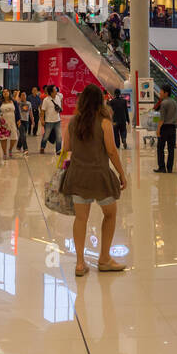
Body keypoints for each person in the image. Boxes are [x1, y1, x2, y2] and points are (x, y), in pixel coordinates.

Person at [61, 85, 127, 276]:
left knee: (81, 218)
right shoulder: (104, 123)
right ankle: (104, 258)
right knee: (110, 213)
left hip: (78, 175)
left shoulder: (74, 122)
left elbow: (66, 146)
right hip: (99, 176)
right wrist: (121, 173)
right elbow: (112, 151)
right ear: (101, 101)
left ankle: (80, 263)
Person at [154, 84, 177, 173]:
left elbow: (162, 119)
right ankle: (169, 168)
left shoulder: (164, 103)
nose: (159, 92)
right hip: (173, 128)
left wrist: (158, 130)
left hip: (164, 127)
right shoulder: (175, 103)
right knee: (171, 149)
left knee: (160, 147)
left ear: (166, 93)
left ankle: (162, 167)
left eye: (161, 91)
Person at [40, 85, 62, 153]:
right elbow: (43, 111)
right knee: (46, 136)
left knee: (59, 136)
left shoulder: (58, 97)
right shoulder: (46, 100)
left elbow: (59, 108)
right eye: (55, 89)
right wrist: (42, 120)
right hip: (49, 121)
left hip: (57, 120)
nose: (56, 90)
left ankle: (58, 150)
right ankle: (42, 147)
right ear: (51, 92)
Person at [0, 89, 18, 160]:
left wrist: (19, 120)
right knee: (4, 138)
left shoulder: (14, 102)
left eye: (7, 92)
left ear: (9, 93)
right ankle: (4, 153)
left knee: (14, 138)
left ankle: (10, 149)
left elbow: (17, 111)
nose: (5, 93)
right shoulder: (0, 102)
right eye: (4, 92)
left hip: (12, 121)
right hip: (3, 122)